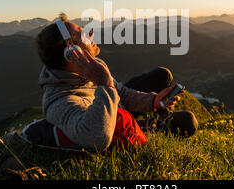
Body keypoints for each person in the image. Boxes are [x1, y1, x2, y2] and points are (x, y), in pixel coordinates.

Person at [21, 14, 198, 151]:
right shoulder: (59, 101)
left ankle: (151, 115)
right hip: (111, 124)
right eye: (81, 33)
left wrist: (153, 102)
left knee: (161, 75)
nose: (90, 33)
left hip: (116, 108)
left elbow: (122, 93)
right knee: (188, 122)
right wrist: (104, 82)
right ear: (72, 52)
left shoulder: (91, 70)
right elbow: (96, 138)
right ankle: (149, 126)